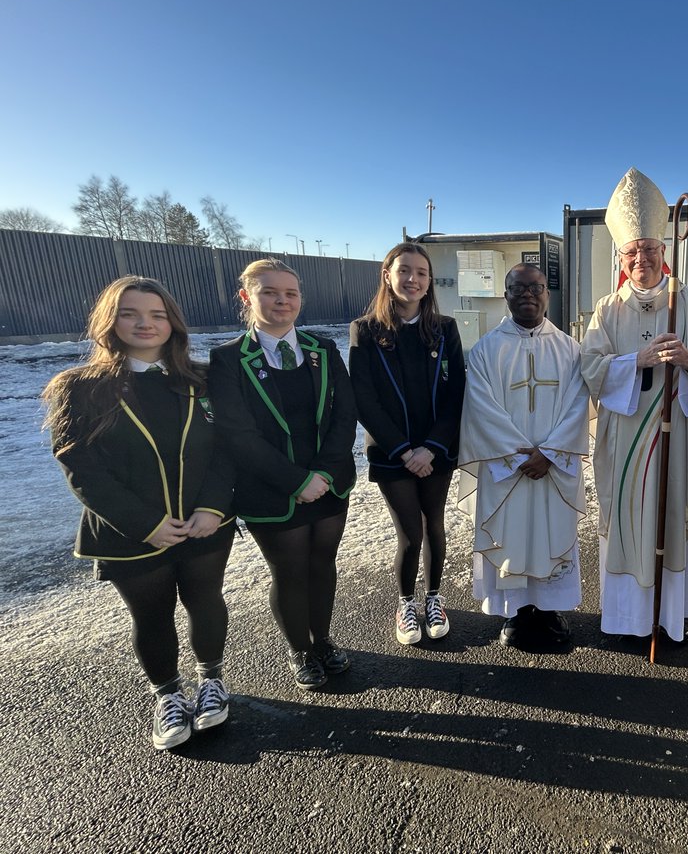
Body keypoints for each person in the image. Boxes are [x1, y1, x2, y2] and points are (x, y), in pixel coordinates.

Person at [43, 276, 236, 750]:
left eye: (157, 314)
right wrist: (144, 524)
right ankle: (168, 694)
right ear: (111, 321)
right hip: (127, 532)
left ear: (173, 322)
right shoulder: (82, 388)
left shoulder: (203, 380)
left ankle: (211, 680)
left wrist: (213, 507)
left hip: (204, 524)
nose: (146, 324)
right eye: (131, 313)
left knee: (206, 601)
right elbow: (80, 466)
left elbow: (228, 450)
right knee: (151, 616)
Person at [581, 167, 688, 642]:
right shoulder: (605, 309)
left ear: (664, 251)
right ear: (620, 257)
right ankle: (628, 616)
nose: (640, 257)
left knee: (673, 515)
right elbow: (590, 368)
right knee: (628, 522)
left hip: (677, 435)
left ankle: (673, 610)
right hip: (625, 439)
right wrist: (636, 360)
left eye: (649, 248)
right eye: (632, 251)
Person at [208, 258, 357, 690]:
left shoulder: (322, 349)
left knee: (323, 564)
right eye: (270, 292)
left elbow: (343, 414)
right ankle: (300, 650)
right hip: (268, 489)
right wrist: (296, 481)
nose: (282, 301)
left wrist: (325, 472)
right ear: (247, 297)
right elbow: (237, 434)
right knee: (289, 572)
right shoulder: (228, 360)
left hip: (329, 483)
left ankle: (324, 640)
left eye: (290, 293)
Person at [458, 265, 589, 646]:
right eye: (518, 288)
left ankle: (549, 609)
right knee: (511, 536)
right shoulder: (485, 349)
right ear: (506, 294)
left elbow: (579, 404)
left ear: (547, 293)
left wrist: (548, 454)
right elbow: (482, 408)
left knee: (550, 532)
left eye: (536, 287)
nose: (527, 294)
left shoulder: (569, 348)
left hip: (552, 465)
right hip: (507, 469)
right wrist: (519, 458)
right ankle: (514, 612)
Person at [349, 242, 465, 646]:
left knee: (434, 525)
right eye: (404, 271)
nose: (412, 279)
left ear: (430, 281)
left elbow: (456, 396)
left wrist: (431, 447)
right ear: (388, 275)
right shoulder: (365, 331)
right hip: (391, 451)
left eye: (421, 272)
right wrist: (404, 450)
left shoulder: (445, 329)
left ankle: (434, 598)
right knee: (409, 532)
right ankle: (405, 603)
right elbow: (364, 398)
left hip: (437, 451)